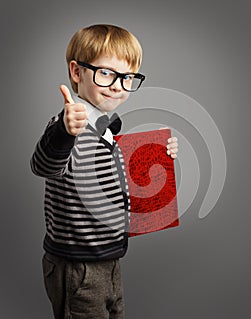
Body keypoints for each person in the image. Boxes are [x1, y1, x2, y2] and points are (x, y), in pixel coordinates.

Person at [30, 24, 178, 319]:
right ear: (76, 72)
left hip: (109, 258)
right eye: (107, 73)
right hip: (77, 265)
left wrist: (160, 156)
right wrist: (64, 131)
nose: (117, 86)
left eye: (127, 78)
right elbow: (44, 165)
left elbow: (115, 181)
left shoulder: (107, 129)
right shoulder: (69, 127)